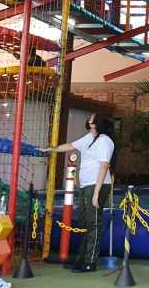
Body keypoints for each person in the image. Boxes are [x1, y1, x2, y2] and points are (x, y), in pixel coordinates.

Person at [39, 113, 115, 272]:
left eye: (92, 117)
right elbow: (70, 146)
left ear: (97, 123)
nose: (89, 118)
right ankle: (81, 259)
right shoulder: (89, 137)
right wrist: (51, 149)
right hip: (86, 185)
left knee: (93, 222)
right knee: (84, 221)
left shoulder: (105, 141)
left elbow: (104, 166)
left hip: (97, 185)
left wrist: (96, 193)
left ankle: (90, 262)